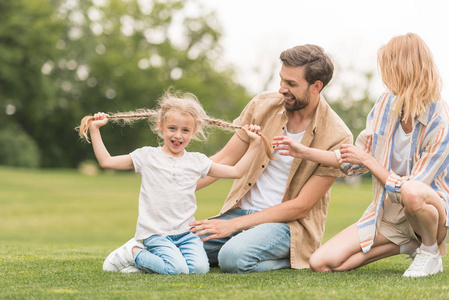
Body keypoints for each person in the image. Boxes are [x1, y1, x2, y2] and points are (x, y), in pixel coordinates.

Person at [273, 33, 449, 277]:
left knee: (411, 191)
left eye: (387, 66)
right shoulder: (385, 105)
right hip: (390, 213)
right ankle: (407, 246)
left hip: (430, 215)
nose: (384, 74)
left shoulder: (440, 120)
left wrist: (368, 161)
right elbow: (354, 162)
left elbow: (414, 186)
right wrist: (304, 151)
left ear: (403, 68)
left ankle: (429, 251)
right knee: (322, 262)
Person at [188, 44, 353, 272]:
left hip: (286, 226)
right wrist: (181, 186)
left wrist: (232, 227)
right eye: (282, 80)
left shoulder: (338, 135)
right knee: (178, 245)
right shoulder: (261, 105)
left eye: (291, 84)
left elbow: (301, 207)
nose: (281, 89)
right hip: (239, 212)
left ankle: (296, 258)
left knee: (232, 258)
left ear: (316, 86)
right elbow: (225, 159)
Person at [77, 91, 263, 275]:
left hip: (186, 234)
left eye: (185, 130)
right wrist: (95, 130)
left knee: (199, 269)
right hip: (155, 234)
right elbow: (106, 161)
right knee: (177, 269)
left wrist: (254, 145)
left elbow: (237, 172)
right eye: (172, 128)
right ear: (161, 126)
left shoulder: (198, 161)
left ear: (194, 131)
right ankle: (133, 253)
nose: (178, 136)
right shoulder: (147, 156)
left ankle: (149, 263)